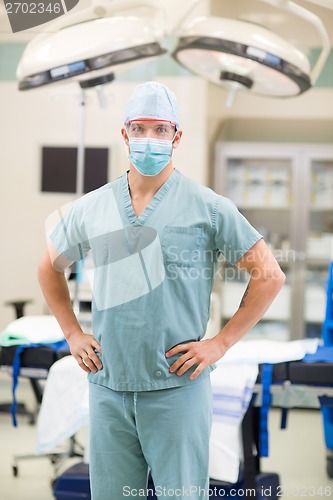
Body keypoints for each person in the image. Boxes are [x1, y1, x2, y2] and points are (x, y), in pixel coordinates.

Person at [38, 81, 285, 499]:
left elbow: (270, 275)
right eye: (139, 128)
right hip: (108, 387)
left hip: (176, 390)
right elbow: (49, 267)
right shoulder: (93, 206)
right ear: (124, 134)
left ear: (177, 137)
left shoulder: (208, 207)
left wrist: (220, 343)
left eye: (160, 129)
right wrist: (73, 333)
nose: (148, 139)